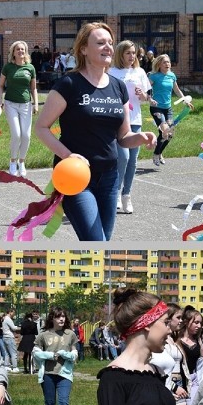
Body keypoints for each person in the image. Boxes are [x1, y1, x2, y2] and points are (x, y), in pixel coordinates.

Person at [34, 22, 156, 241]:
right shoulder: (69, 84)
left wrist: (141, 137)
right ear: (83, 49)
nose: (108, 47)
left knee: (104, 243)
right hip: (76, 177)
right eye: (100, 43)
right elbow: (41, 128)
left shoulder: (118, 87)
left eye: (110, 42)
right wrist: (67, 155)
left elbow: (124, 137)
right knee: (95, 241)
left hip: (109, 178)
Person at [108, 41, 151, 214]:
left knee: (133, 161)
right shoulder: (112, 72)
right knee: (123, 158)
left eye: (134, 53)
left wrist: (143, 95)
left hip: (135, 120)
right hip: (119, 121)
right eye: (128, 53)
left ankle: (127, 194)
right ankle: (116, 193)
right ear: (120, 54)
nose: (132, 56)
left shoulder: (139, 72)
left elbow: (147, 97)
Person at [33, 307, 78, 405]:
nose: (61, 319)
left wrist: (66, 354)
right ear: (52, 318)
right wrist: (50, 356)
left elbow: (75, 354)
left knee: (64, 404)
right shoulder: (43, 335)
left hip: (64, 374)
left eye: (63, 316)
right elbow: (36, 354)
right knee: (50, 404)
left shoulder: (70, 334)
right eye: (58, 317)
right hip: (48, 374)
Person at [0, 40, 38, 177]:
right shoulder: (8, 67)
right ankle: (12, 161)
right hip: (10, 104)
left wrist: (35, 104)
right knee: (16, 134)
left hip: (26, 105)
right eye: (17, 49)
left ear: (25, 51)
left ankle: (22, 162)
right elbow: (0, 85)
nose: (20, 51)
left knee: (26, 136)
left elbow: (33, 88)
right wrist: (0, 100)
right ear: (13, 52)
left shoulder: (30, 68)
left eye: (22, 49)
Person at [148, 53, 194, 167]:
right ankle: (156, 154)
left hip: (167, 109)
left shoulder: (172, 76)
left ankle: (159, 153)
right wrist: (149, 98)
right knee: (165, 131)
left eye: (168, 62)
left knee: (170, 134)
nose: (167, 64)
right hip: (156, 108)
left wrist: (185, 101)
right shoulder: (154, 76)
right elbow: (147, 89)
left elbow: (177, 90)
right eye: (164, 62)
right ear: (159, 64)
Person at [0, 307, 20, 372]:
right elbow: (13, 328)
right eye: (14, 313)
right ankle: (14, 367)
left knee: (7, 353)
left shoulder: (4, 318)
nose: (14, 314)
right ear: (10, 312)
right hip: (9, 337)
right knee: (13, 352)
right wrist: (20, 327)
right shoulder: (8, 319)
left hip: (5, 336)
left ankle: (6, 366)